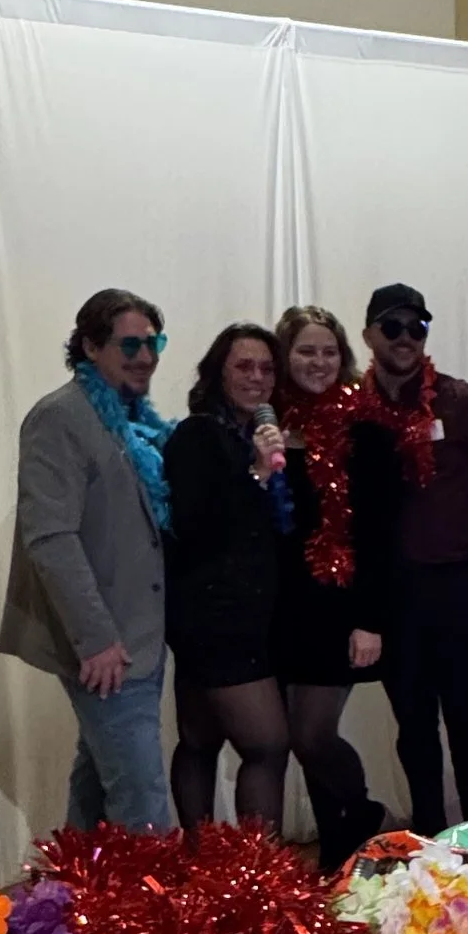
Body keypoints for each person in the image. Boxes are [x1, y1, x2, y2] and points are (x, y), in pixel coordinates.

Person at [0, 287, 176, 833]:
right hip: (107, 646)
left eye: (153, 343)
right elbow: (50, 536)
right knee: (141, 798)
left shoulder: (133, 421)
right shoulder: (60, 418)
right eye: (129, 345)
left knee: (99, 784)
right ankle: (149, 912)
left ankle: (68, 905)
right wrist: (95, 637)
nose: (145, 356)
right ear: (90, 347)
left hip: (139, 636)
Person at [359, 281, 468, 834]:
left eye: (417, 326)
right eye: (393, 327)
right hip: (397, 596)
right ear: (369, 335)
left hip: (462, 591)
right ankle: (427, 842)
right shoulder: (355, 411)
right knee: (414, 728)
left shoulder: (463, 402)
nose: (406, 338)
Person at [271, 305, 398, 870]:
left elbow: (379, 530)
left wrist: (371, 618)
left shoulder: (363, 427)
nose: (318, 362)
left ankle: (362, 813)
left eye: (328, 351)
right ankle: (336, 847)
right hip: (281, 605)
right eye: (305, 351)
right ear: (284, 356)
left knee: (311, 735)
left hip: (339, 603)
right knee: (295, 736)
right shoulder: (266, 423)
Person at [163, 322, 296, 832]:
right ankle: (257, 880)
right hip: (217, 619)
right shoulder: (199, 435)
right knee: (267, 743)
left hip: (241, 616)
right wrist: (259, 474)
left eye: (266, 367)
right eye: (244, 365)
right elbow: (196, 526)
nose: (257, 376)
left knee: (200, 738)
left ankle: (207, 877)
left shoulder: (249, 436)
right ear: (218, 373)